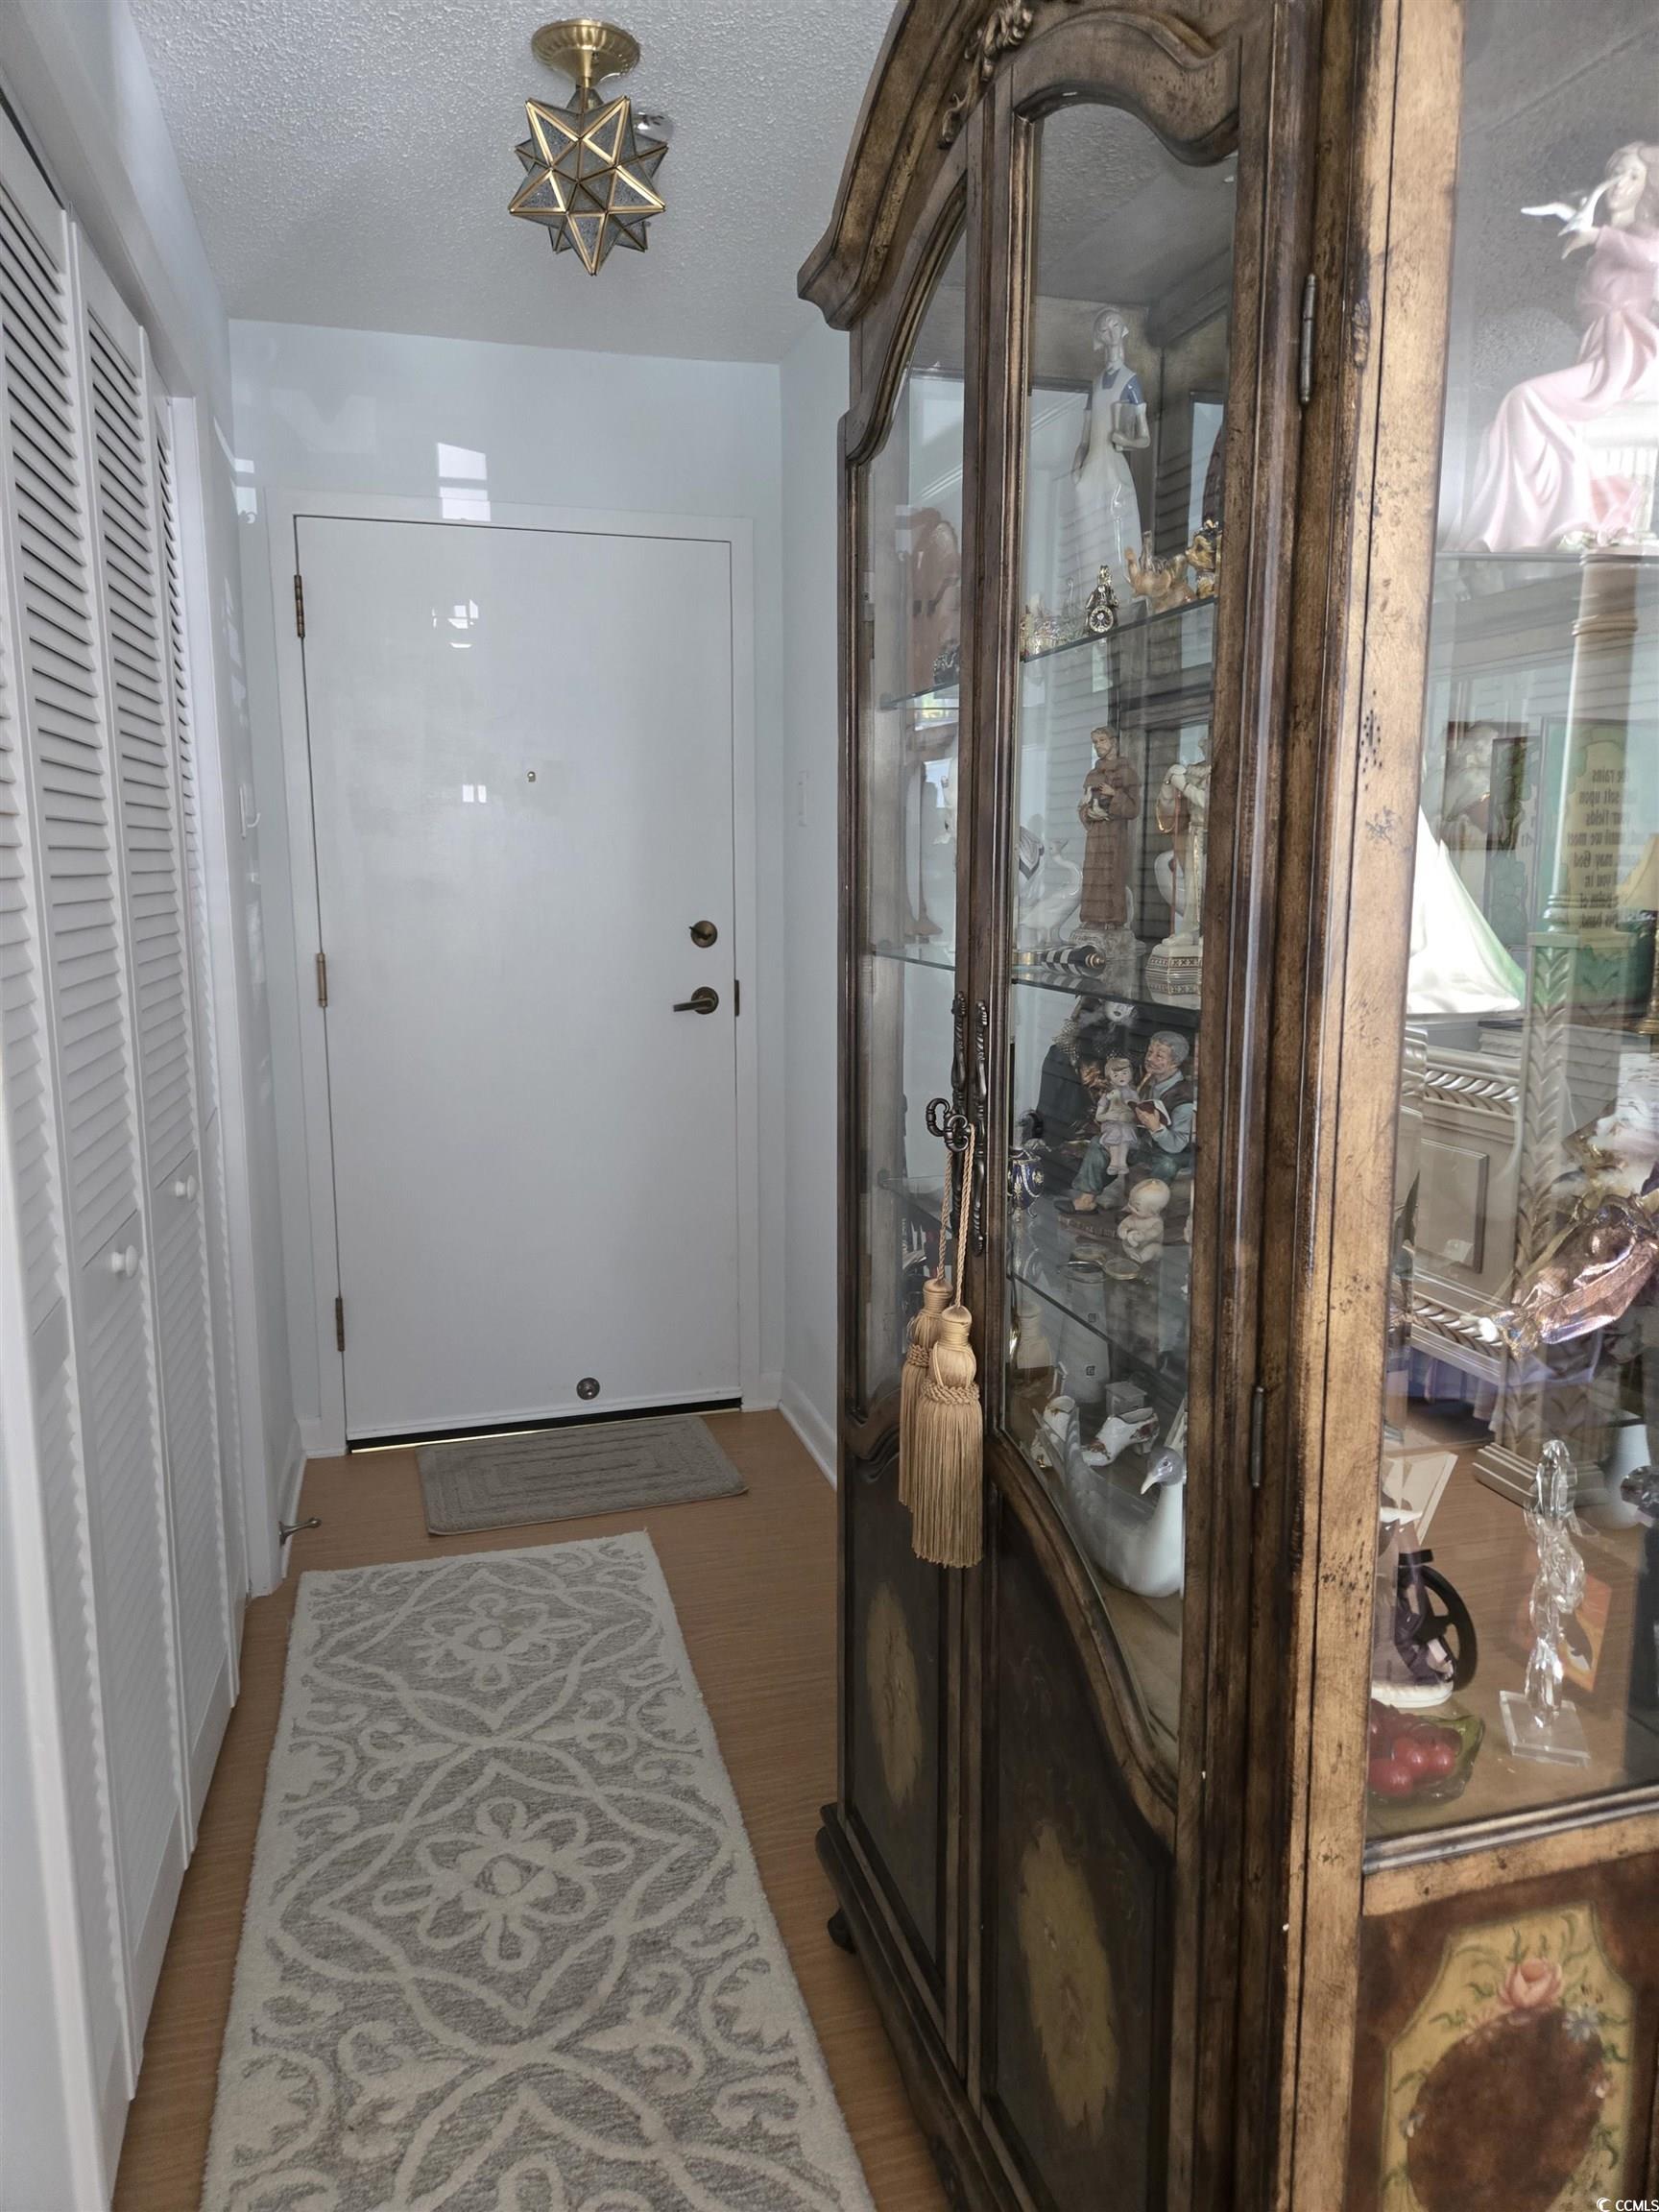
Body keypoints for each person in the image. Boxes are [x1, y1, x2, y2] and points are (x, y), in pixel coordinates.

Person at [1455, 143, 1659, 553]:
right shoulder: (1603, 245)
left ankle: (1558, 518)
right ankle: (1510, 529)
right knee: (1508, 412)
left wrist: (1598, 234)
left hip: (1626, 352)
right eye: (1616, 171)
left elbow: (1651, 256)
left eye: (1633, 175)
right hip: (1599, 346)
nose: (1620, 182)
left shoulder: (1640, 236)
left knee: (1526, 398)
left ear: (1647, 187)